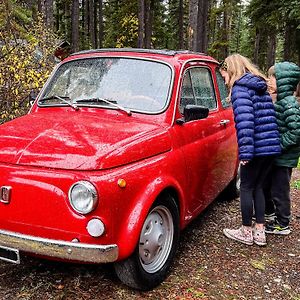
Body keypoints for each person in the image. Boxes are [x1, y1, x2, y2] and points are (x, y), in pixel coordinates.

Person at [220, 54, 281, 246]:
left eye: (224, 76)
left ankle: (246, 231)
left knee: (246, 187)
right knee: (259, 188)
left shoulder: (240, 89)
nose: (225, 81)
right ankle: (260, 232)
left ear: (231, 70)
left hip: (256, 148)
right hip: (271, 147)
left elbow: (246, 123)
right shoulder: (259, 87)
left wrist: (245, 153)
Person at [263, 62, 300, 235]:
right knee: (268, 185)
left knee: (280, 190)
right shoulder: (282, 101)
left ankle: (283, 223)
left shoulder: (289, 104)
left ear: (285, 81)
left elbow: (296, 132)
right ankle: (270, 214)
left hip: (284, 157)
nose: (269, 81)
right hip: (277, 156)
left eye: (273, 78)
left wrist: (277, 145)